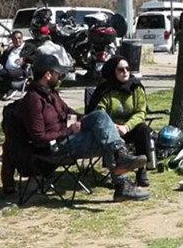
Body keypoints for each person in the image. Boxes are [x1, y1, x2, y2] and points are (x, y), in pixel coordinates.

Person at [22, 54, 149, 201]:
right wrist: (69, 130)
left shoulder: (51, 94)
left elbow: (69, 113)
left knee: (102, 122)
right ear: (48, 75)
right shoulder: (34, 101)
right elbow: (39, 137)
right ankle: (121, 176)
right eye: (58, 74)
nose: (60, 77)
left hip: (68, 138)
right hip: (56, 147)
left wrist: (89, 121)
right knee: (105, 133)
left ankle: (121, 163)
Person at [88, 56, 152, 188]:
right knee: (107, 134)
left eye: (127, 69)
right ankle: (116, 175)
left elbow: (141, 112)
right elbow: (100, 112)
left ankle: (141, 171)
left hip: (129, 127)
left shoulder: (136, 87)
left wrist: (127, 126)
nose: (125, 72)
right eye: (121, 70)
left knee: (143, 130)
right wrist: (114, 126)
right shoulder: (104, 91)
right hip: (111, 129)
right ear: (113, 72)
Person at [0, 30, 37, 100]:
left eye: (19, 38)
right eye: (15, 39)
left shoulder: (29, 47)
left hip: (21, 69)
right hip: (7, 70)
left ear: (22, 38)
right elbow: (1, 60)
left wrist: (24, 59)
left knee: (8, 73)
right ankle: (7, 88)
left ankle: (4, 90)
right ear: (12, 40)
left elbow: (36, 57)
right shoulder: (10, 49)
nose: (17, 40)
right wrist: (6, 50)